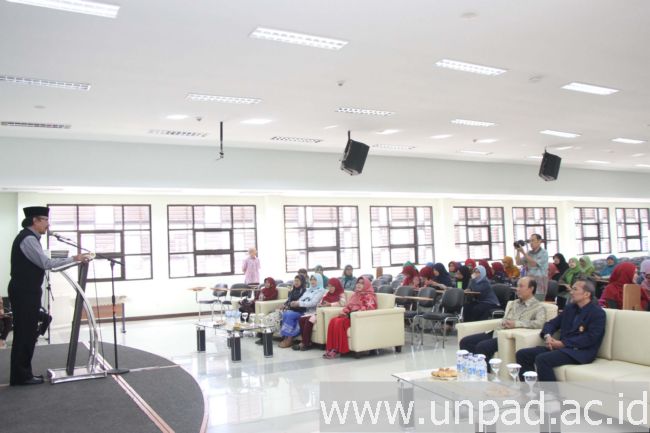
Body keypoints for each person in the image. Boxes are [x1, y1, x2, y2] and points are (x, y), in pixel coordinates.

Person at [9, 206, 92, 386]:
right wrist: (74, 259)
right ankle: (21, 376)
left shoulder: (31, 238)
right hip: (24, 292)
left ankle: (23, 373)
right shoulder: (28, 239)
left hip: (28, 291)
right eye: (45, 220)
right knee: (24, 333)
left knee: (28, 332)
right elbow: (46, 263)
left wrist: (73, 260)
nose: (48, 224)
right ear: (35, 220)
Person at [516, 279, 606, 382]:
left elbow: (590, 338)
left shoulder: (597, 313)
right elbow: (551, 323)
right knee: (522, 354)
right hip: (562, 348)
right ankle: (530, 388)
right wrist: (548, 336)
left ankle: (551, 392)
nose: (571, 292)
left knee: (543, 359)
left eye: (575, 289)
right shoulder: (570, 308)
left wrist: (563, 343)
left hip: (580, 352)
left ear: (586, 294)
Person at [459, 277, 546, 369]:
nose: (517, 289)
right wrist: (505, 322)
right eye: (517, 286)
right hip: (498, 331)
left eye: (521, 286)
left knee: (482, 346)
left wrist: (516, 324)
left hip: (508, 337)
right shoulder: (514, 303)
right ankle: (469, 369)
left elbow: (540, 323)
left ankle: (482, 373)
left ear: (531, 289)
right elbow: (505, 317)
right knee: (466, 341)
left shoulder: (538, 307)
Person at [323, 277, 377, 359]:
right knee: (333, 321)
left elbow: (368, 309)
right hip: (349, 316)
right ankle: (331, 348)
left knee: (340, 322)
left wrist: (352, 313)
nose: (359, 284)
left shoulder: (369, 296)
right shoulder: (355, 294)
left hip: (358, 319)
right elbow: (348, 306)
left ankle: (338, 350)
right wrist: (344, 311)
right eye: (358, 282)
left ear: (366, 285)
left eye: (362, 283)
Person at [294, 278, 345, 351]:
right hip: (319, 311)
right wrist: (321, 304)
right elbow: (321, 302)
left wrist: (330, 304)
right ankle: (306, 342)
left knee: (309, 320)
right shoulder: (327, 294)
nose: (330, 288)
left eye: (332, 286)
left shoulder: (341, 293)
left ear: (336, 286)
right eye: (329, 286)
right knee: (302, 319)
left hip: (326, 313)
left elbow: (343, 303)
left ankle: (305, 343)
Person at [278, 274, 325, 348]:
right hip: (305, 311)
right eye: (311, 279)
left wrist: (299, 304)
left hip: (309, 312)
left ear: (319, 281)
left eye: (315, 279)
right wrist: (295, 302)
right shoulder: (309, 290)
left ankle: (289, 339)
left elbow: (313, 303)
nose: (312, 281)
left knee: (289, 314)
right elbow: (301, 299)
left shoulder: (321, 291)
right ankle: (286, 338)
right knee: (286, 313)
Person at [515, 234, 548, 299]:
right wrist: (518, 251)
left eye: (533, 240)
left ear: (539, 241)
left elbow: (534, 264)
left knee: (537, 303)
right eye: (530, 241)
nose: (531, 243)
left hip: (540, 283)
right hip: (529, 283)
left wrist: (523, 252)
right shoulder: (529, 253)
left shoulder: (544, 253)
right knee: (527, 303)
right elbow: (518, 262)